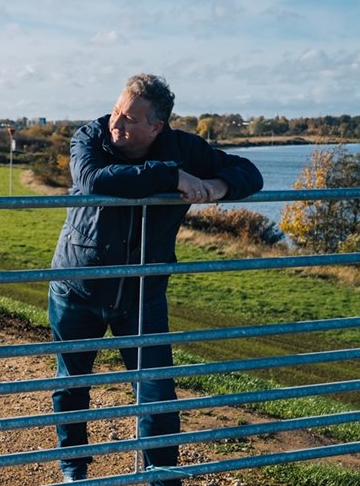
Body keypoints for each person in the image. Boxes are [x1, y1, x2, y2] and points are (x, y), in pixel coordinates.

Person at [48, 74, 263, 484]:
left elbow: (249, 172)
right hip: (78, 287)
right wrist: (172, 176)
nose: (116, 124)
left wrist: (217, 187)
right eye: (116, 111)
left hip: (143, 295)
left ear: (156, 127)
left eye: (129, 118)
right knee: (72, 386)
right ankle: (74, 473)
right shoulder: (90, 137)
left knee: (157, 396)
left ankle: (163, 478)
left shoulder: (186, 148)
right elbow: (94, 180)